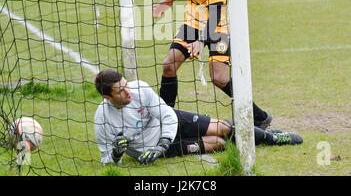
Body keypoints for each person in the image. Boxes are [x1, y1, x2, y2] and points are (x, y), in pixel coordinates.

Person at [152, 0, 272, 129]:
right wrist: (168, 0)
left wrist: (201, 40)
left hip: (218, 22)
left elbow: (216, 8)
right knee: (169, 64)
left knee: (219, 77)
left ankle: (260, 117)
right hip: (194, 19)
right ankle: (167, 121)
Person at [94, 69, 303, 165]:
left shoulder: (139, 88)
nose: (127, 92)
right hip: (155, 150)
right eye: (120, 91)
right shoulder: (102, 119)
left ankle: (272, 138)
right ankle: (253, 135)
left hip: (171, 126)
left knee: (222, 127)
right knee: (219, 143)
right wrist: (116, 154)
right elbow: (107, 161)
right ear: (107, 97)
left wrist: (163, 142)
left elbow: (167, 115)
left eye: (125, 85)